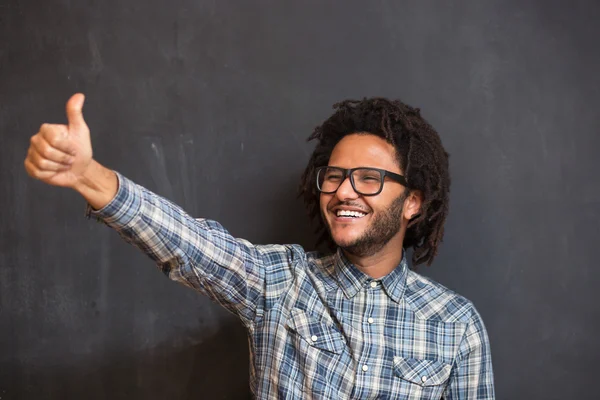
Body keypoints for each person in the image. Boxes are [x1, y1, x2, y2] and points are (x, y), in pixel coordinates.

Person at [24, 93, 495, 399]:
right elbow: (189, 243)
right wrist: (87, 175)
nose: (344, 191)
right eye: (334, 176)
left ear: (412, 201)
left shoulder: (456, 325)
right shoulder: (280, 282)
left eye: (369, 179)